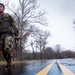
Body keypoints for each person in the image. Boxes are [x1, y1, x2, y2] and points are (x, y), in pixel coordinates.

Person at [0, 3, 19, 68]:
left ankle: (10, 61)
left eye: (1, 7)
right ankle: (8, 61)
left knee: (7, 48)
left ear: (3, 8)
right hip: (1, 36)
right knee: (3, 51)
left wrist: (17, 34)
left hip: (8, 34)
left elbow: (13, 24)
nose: (0, 8)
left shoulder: (8, 16)